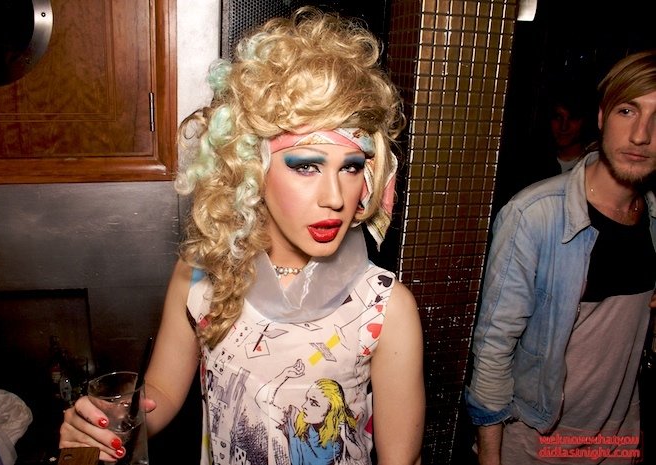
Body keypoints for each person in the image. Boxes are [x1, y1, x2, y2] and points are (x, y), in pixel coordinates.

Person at [59, 8, 425, 465]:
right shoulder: (202, 276)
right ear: (253, 167)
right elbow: (162, 393)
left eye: (350, 168)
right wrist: (109, 422)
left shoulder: (385, 308)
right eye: (306, 166)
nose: (335, 197)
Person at [465, 50, 656, 464]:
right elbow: (494, 348)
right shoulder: (534, 215)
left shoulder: (654, 217)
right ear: (602, 117)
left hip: (617, 441)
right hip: (538, 442)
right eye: (627, 111)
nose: (642, 134)